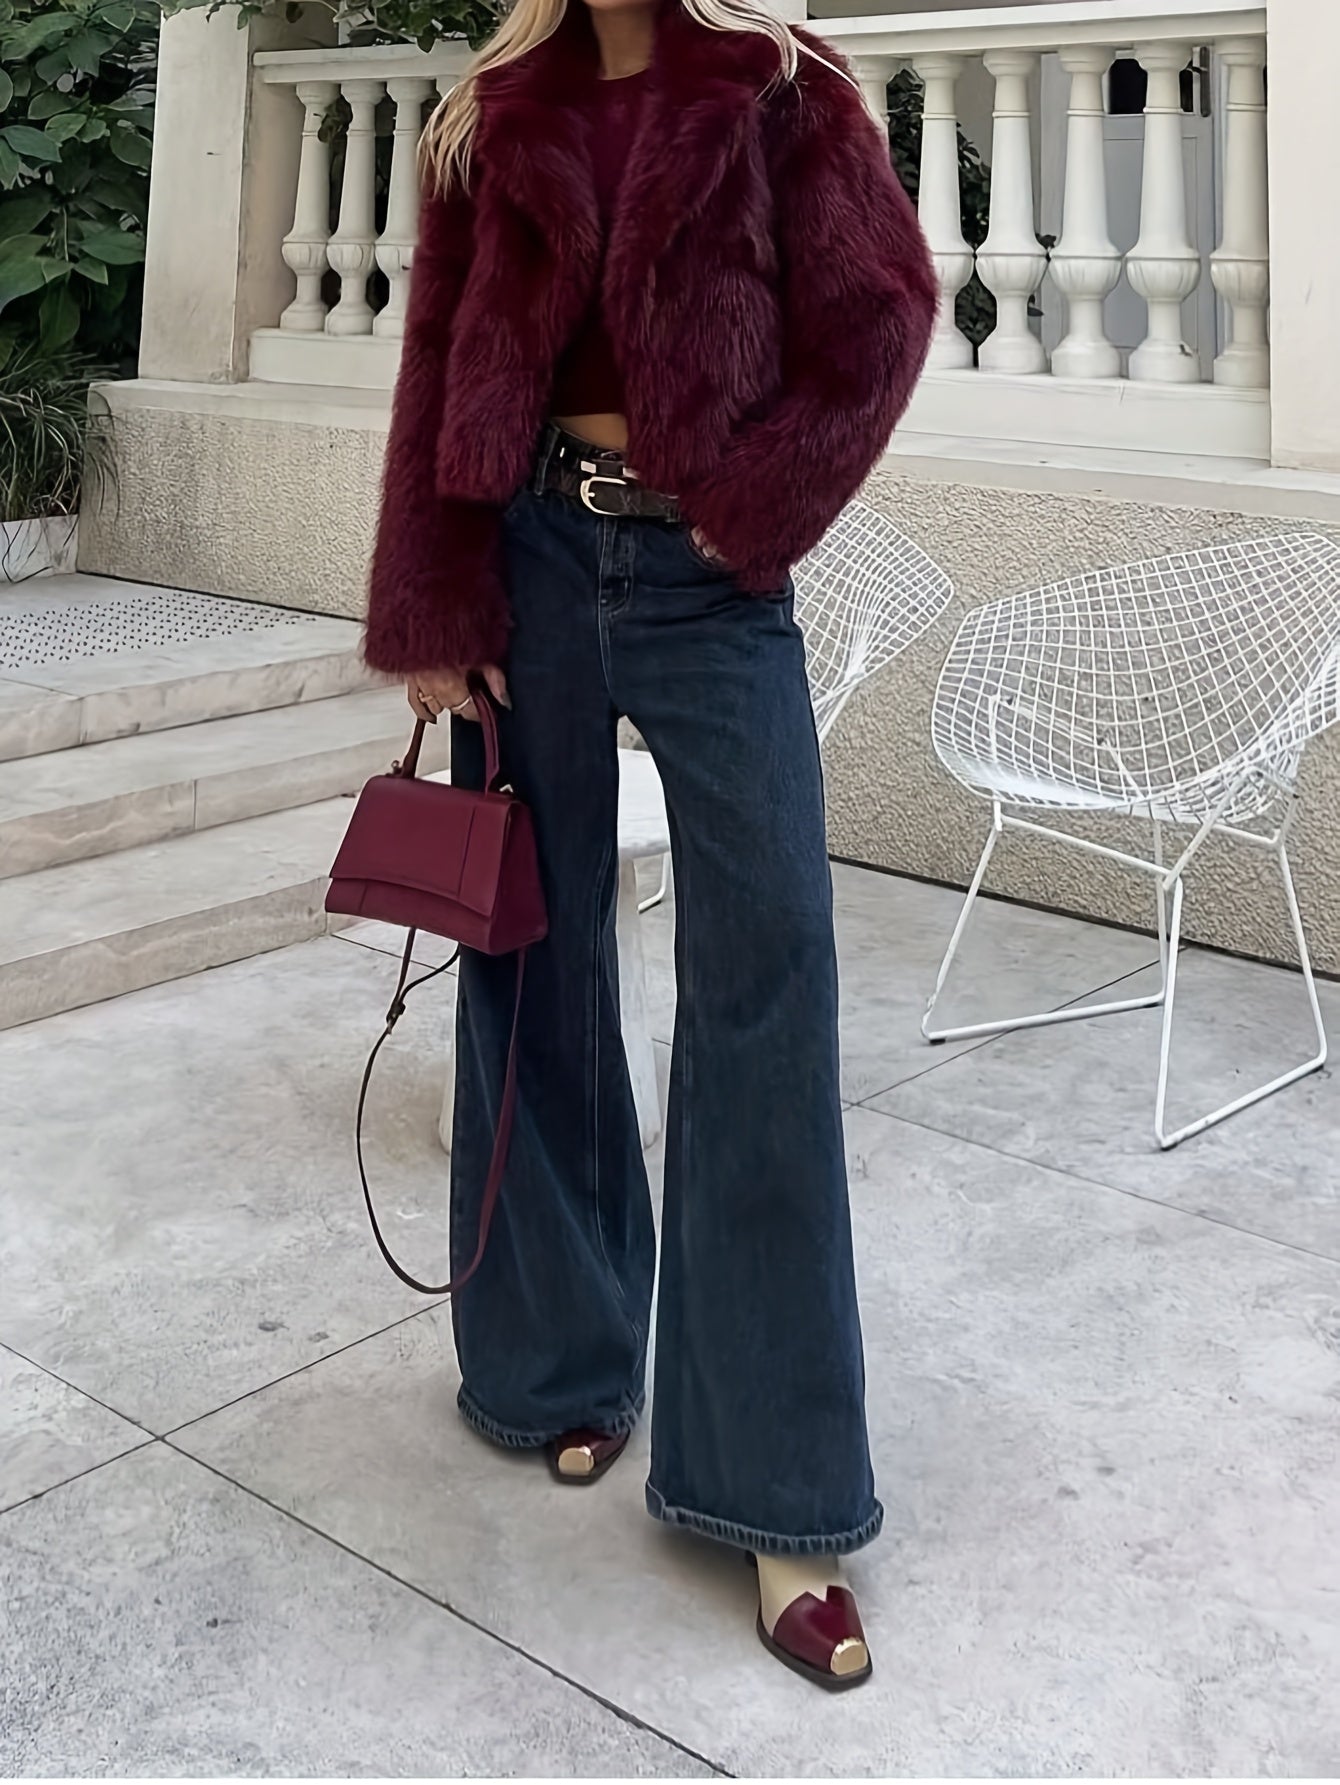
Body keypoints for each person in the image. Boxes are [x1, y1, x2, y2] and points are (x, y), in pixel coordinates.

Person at [363, 0, 936, 1690]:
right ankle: (557, 1361)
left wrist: (749, 511)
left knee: (768, 985)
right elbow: (436, 356)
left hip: (711, 584)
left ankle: (777, 1490)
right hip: (529, 567)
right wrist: (430, 602)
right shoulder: (489, 109)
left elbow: (885, 316)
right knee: (530, 962)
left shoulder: (778, 83)